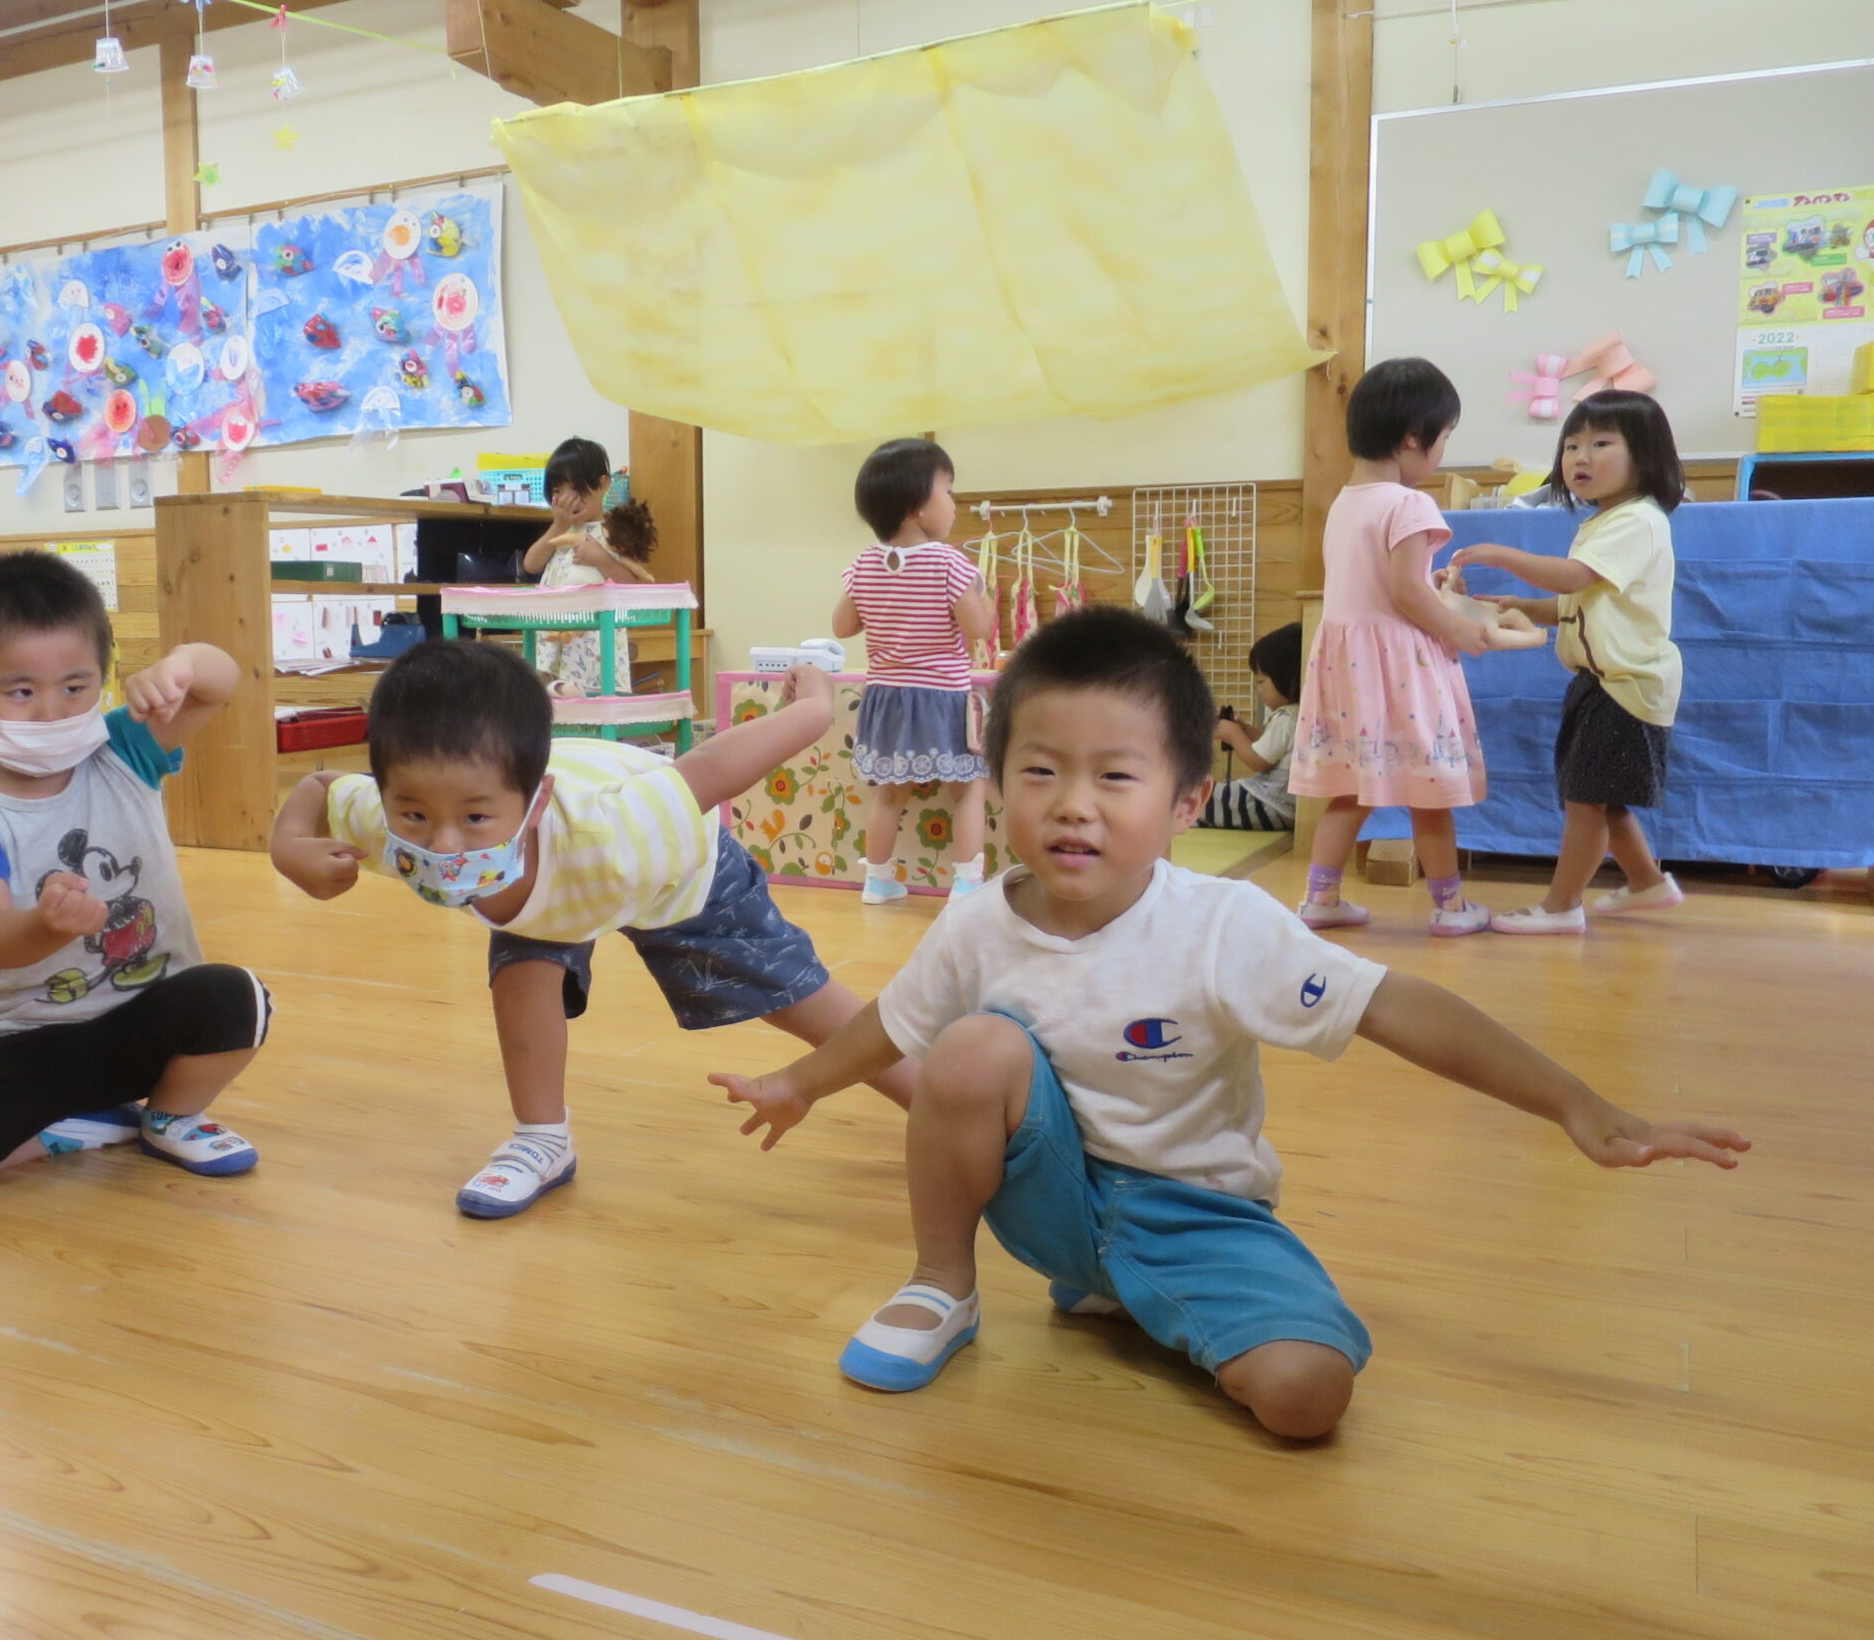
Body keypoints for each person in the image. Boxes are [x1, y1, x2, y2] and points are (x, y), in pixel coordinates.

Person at [710, 609, 1748, 1439]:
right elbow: (891, 1024)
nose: (1073, 804)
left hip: (1196, 1214)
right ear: (997, 786)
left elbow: (1394, 1006)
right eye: (1039, 772)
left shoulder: (1222, 924)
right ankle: (944, 1287)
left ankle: (1133, 1293)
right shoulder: (976, 923)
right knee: (972, 1047)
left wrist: (1578, 1105)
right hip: (1051, 1199)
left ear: (1186, 802)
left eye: (1115, 776)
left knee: (1306, 1398)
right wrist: (800, 1085)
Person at [270, 639, 913, 1219]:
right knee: (520, 979)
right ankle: (541, 1141)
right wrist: (290, 845)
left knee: (794, 997)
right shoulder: (386, 821)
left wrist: (814, 710)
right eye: (413, 814)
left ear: (535, 805)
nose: (446, 844)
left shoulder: (621, 831)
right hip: (551, 892)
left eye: (475, 817)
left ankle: (940, 1102)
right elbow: (323, 785)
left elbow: (714, 769)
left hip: (675, 874)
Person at [0, 550, 268, 1210]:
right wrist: (42, 926)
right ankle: (68, 1126)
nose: (52, 710)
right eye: (21, 691)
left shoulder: (125, 749)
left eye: (75, 687)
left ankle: (166, 1119)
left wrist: (181, 666)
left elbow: (220, 683)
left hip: (149, 1025)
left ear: (103, 678)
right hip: (36, 1043)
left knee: (235, 996)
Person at [1449, 390, 1688, 934]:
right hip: (1603, 681)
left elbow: (1575, 578)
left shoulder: (1637, 520)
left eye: (1602, 443)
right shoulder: (1607, 521)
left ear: (1645, 455)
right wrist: (1522, 606)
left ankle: (1562, 907)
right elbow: (1581, 599)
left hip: (1625, 684)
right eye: (1572, 444)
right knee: (1599, 795)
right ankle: (1647, 882)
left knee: (1586, 798)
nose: (1581, 456)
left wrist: (1499, 552)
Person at [1289, 357, 1494, 936]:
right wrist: (1456, 628)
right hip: (1399, 669)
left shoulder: (1344, 503)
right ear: (1412, 437)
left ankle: (1319, 899)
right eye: (1445, 437)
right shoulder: (1410, 503)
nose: (1442, 452)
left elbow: (1378, 586)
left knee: (1349, 789)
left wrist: (1424, 592)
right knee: (1429, 791)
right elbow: (1404, 591)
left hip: (1349, 670)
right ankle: (1451, 908)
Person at [834, 438, 997, 906]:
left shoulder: (865, 562)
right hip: (942, 697)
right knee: (967, 788)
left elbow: (843, 626)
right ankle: (967, 884)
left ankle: (878, 880)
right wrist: (984, 592)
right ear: (916, 508)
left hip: (887, 697)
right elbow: (978, 627)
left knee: (890, 793)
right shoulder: (948, 561)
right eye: (948, 491)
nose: (954, 503)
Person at [520, 437, 659, 697]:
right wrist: (558, 525)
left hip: (594, 643)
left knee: (592, 702)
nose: (569, 500)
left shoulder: (614, 531)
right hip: (554, 633)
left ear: (603, 484)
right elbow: (531, 563)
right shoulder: (559, 531)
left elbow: (633, 586)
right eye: (559, 492)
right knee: (550, 700)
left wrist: (601, 559)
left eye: (577, 489)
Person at [1199, 621, 1303, 832]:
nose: (1259, 690)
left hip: (1269, 804)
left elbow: (1259, 761)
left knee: (1200, 797)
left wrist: (1233, 734)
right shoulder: (1298, 715)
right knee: (1209, 797)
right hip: (1278, 805)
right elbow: (1269, 745)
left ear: (1288, 679)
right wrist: (1243, 728)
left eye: (1262, 681)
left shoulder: (1288, 717)